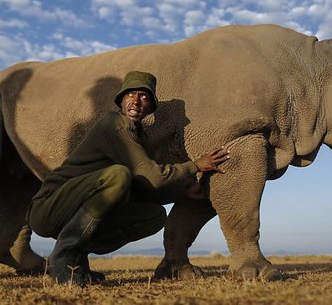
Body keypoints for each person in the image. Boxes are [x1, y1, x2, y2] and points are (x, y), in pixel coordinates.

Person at [28, 70, 229, 286]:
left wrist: (183, 191)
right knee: (118, 176)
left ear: (150, 106)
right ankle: (62, 257)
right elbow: (152, 175)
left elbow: (144, 188)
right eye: (131, 94)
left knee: (154, 216)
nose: (136, 100)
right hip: (47, 208)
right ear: (121, 100)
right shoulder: (115, 124)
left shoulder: (137, 136)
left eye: (144, 96)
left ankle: (76, 260)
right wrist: (195, 165)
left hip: (71, 211)